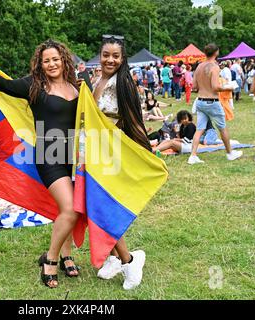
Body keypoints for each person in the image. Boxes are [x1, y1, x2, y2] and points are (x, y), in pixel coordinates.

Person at [0, 40, 81, 289]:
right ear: (40, 65)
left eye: (56, 59)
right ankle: (50, 259)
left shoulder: (75, 86)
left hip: (71, 156)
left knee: (62, 210)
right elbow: (3, 85)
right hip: (48, 156)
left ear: (64, 60)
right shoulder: (33, 85)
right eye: (46, 60)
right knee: (70, 209)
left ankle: (67, 256)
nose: (52, 64)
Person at [91, 35, 153, 290]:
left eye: (116, 56)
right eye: (106, 54)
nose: (110, 59)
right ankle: (116, 257)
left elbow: (133, 119)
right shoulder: (99, 79)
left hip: (111, 153)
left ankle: (129, 261)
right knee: (97, 206)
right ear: (100, 55)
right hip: (92, 151)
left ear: (123, 58)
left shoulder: (123, 83)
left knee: (103, 207)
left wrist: (145, 152)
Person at [188, 44, 243, 165]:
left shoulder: (199, 66)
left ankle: (193, 156)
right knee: (222, 128)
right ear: (216, 53)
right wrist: (228, 87)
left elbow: (195, 87)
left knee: (200, 129)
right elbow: (215, 87)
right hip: (212, 102)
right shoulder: (214, 67)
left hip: (200, 101)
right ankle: (230, 153)